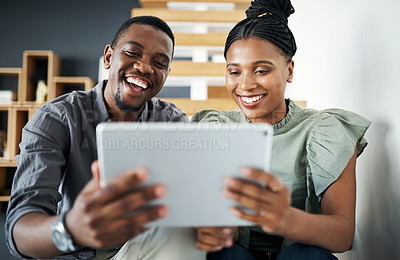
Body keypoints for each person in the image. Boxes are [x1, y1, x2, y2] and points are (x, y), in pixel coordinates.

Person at [5, 16, 205, 259]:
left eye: (159, 63)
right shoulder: (57, 117)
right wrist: (72, 229)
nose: (144, 67)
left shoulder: (172, 121)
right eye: (133, 53)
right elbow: (19, 230)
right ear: (109, 57)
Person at [192, 0, 371, 259]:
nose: (246, 84)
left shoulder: (325, 132)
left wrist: (284, 218)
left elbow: (342, 235)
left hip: (299, 254)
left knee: (305, 254)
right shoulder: (213, 129)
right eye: (234, 72)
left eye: (261, 70)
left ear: (289, 70)